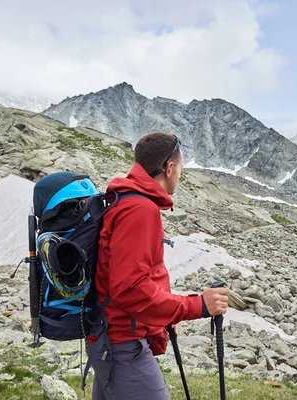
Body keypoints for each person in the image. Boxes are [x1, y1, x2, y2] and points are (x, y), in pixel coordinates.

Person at [88, 132, 229, 400]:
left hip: (112, 338)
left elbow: (129, 277)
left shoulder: (126, 200)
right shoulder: (140, 210)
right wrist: (196, 306)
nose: (179, 177)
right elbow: (130, 289)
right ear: (170, 167)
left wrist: (162, 318)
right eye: (180, 169)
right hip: (122, 346)